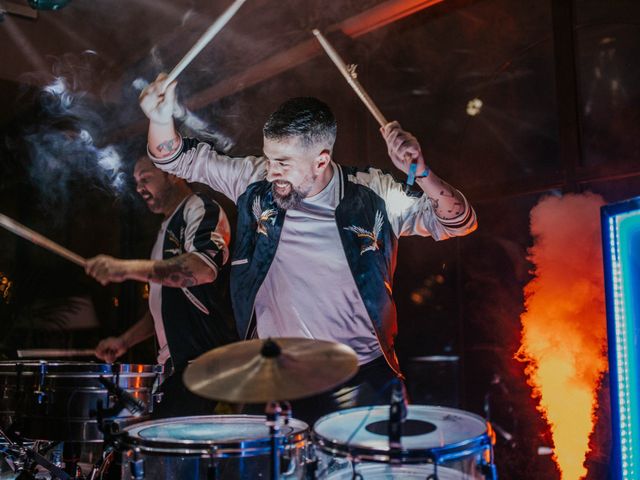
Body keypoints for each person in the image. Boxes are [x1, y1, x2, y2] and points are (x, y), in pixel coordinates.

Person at [139, 74, 477, 424]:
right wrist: (160, 118)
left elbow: (458, 222)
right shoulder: (254, 181)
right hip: (274, 377)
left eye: (283, 162)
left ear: (321, 160)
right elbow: (176, 158)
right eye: (270, 158)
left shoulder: (372, 192)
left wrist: (421, 174)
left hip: (360, 380)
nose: (272, 172)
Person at [86, 156, 238, 418]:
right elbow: (163, 305)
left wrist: (125, 269)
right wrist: (124, 341)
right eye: (136, 182)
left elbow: (202, 267)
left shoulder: (200, 208)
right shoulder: (165, 228)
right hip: (175, 367)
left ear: (172, 174)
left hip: (205, 366)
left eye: (146, 178)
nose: (139, 188)